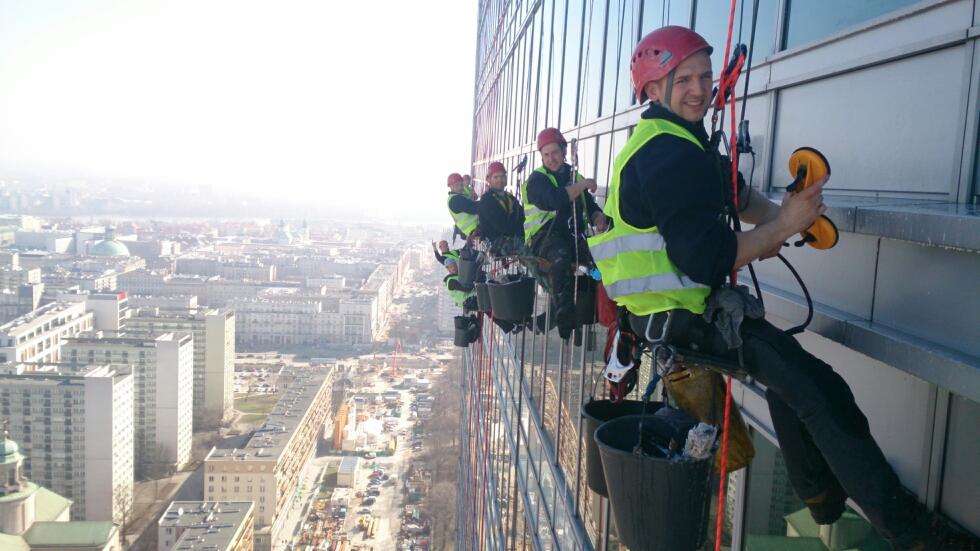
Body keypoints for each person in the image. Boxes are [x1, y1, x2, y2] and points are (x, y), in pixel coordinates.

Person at [589, 25, 978, 551]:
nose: (699, 89)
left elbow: (737, 195)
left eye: (705, 76)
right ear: (653, 90)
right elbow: (706, 258)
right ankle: (911, 533)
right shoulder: (668, 154)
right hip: (686, 317)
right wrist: (783, 226)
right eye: (683, 79)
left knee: (794, 384)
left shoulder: (678, 142)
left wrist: (792, 219)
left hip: (673, 315)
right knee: (822, 394)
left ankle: (821, 497)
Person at [522, 127, 608, 339]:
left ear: (563, 151)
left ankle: (599, 307)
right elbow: (553, 199)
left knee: (598, 267)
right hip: (544, 238)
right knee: (560, 260)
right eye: (546, 155)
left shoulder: (572, 175)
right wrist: (583, 184)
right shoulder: (537, 180)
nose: (551, 159)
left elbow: (588, 203)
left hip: (571, 237)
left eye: (555, 153)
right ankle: (565, 315)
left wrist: (597, 216)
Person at [477, 161, 524, 254]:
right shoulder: (486, 200)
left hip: (509, 238)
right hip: (494, 242)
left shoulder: (510, 197)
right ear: (489, 179)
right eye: (496, 177)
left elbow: (522, 215)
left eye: (502, 177)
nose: (500, 180)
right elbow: (501, 225)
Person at [447, 172, 479, 241]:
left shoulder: (455, 197)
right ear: (450, 186)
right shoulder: (455, 200)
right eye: (456, 185)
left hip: (474, 230)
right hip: (474, 229)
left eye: (461, 185)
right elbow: (474, 208)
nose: (460, 188)